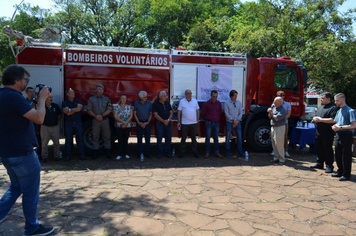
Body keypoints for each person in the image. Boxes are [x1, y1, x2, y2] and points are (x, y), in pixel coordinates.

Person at [0, 65, 54, 235]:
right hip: (22, 153)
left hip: (7, 152)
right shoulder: (14, 97)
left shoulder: (2, 95)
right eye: (25, 80)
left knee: (16, 188)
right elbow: (39, 118)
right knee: (30, 193)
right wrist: (42, 99)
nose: (27, 83)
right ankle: (32, 227)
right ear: (17, 80)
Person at [310, 92, 338, 173]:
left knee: (327, 149)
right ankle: (320, 163)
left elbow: (333, 120)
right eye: (321, 98)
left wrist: (321, 120)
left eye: (323, 98)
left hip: (327, 132)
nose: (321, 100)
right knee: (319, 148)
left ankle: (329, 165)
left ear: (328, 99)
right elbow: (316, 116)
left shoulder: (333, 108)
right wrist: (315, 118)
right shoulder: (320, 107)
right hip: (318, 131)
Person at [331, 93, 356, 181]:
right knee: (338, 154)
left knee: (346, 155)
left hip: (346, 135)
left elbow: (353, 125)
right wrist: (335, 126)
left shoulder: (350, 111)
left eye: (337, 100)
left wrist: (341, 127)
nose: (335, 102)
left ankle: (346, 174)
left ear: (342, 100)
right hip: (338, 135)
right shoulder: (339, 111)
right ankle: (340, 171)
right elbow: (337, 122)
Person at [87, 83, 113, 159]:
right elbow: (89, 110)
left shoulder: (107, 99)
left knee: (107, 136)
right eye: (99, 89)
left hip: (104, 120)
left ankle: (108, 153)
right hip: (95, 120)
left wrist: (102, 116)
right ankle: (95, 153)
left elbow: (109, 109)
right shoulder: (91, 99)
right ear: (96, 90)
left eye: (102, 89)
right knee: (95, 136)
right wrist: (96, 116)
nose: (101, 91)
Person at [62, 88, 86, 161]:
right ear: (67, 94)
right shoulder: (64, 102)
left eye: (73, 92)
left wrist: (70, 110)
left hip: (78, 123)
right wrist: (73, 110)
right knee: (68, 140)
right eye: (71, 92)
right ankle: (68, 156)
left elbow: (79, 109)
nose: (73, 93)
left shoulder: (78, 101)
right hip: (69, 124)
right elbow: (66, 112)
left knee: (80, 140)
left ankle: (82, 155)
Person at [177, 89, 200, 158]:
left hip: (193, 123)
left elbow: (197, 110)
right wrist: (179, 121)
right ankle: (182, 152)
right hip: (184, 123)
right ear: (185, 94)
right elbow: (179, 112)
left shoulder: (195, 101)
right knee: (183, 138)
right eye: (188, 93)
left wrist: (197, 120)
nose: (190, 95)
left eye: (190, 93)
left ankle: (195, 152)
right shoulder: (182, 101)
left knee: (194, 138)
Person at [41, 94, 62, 162]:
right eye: (50, 97)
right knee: (44, 143)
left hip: (54, 126)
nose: (51, 98)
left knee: (56, 143)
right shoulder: (42, 106)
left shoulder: (55, 106)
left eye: (52, 97)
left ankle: (57, 155)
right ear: (46, 98)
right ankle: (44, 156)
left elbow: (59, 115)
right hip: (45, 126)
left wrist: (55, 121)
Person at [202, 90, 223, 158]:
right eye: (213, 96)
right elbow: (203, 113)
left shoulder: (219, 103)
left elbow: (220, 112)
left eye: (216, 96)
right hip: (209, 123)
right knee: (207, 138)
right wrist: (208, 118)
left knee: (216, 138)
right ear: (211, 96)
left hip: (216, 123)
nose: (215, 98)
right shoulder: (207, 103)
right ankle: (207, 152)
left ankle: (217, 152)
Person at [270, 91, 291, 157]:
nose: (279, 96)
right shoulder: (274, 104)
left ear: (283, 96)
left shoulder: (287, 104)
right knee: (274, 139)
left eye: (280, 95)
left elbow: (288, 114)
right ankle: (275, 152)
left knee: (284, 137)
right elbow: (271, 112)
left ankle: (285, 151)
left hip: (283, 123)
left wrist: (282, 119)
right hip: (275, 123)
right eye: (277, 95)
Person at [153, 90, 173, 159]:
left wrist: (168, 120)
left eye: (166, 96)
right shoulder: (156, 104)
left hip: (168, 123)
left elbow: (171, 112)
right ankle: (159, 153)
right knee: (159, 138)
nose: (166, 97)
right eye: (164, 96)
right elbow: (155, 115)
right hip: (160, 123)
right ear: (160, 97)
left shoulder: (167, 104)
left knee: (168, 138)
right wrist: (163, 121)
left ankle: (168, 153)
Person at [224, 89, 244, 158]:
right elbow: (226, 113)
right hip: (229, 122)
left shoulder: (238, 102)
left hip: (237, 122)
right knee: (227, 138)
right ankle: (228, 152)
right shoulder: (227, 103)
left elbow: (241, 112)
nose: (235, 97)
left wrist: (237, 121)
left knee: (239, 138)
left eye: (236, 95)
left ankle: (240, 152)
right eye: (234, 95)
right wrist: (233, 121)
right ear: (231, 96)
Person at [267, 97, 287, 165]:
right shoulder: (274, 108)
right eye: (274, 102)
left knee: (279, 144)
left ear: (280, 103)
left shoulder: (283, 110)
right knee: (274, 143)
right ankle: (276, 157)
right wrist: (270, 113)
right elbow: (270, 117)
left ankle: (282, 159)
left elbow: (277, 119)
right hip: (273, 127)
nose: (274, 103)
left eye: (276, 102)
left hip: (280, 127)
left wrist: (271, 112)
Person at [113, 95, 133, 160]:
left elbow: (131, 116)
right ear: (120, 99)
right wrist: (123, 122)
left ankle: (126, 153)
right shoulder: (116, 107)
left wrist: (126, 123)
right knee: (120, 140)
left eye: (125, 98)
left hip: (127, 125)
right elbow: (115, 116)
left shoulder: (129, 107)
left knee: (126, 140)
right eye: (122, 98)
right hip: (119, 126)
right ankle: (120, 154)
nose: (124, 100)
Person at [134, 91, 152, 159]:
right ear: (140, 97)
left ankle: (147, 153)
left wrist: (148, 122)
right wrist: (138, 122)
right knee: (139, 139)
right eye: (145, 97)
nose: (146, 98)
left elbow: (151, 113)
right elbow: (135, 113)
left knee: (147, 139)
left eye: (146, 96)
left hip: (147, 123)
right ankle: (139, 153)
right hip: (139, 123)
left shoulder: (149, 103)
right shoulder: (136, 103)